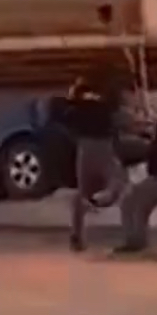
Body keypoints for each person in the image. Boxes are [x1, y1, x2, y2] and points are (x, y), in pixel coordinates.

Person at [61, 76, 125, 252]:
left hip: (85, 148)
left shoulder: (78, 106)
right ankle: (104, 197)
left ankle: (77, 235)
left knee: (82, 192)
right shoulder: (105, 104)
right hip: (104, 146)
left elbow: (64, 117)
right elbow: (116, 116)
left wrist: (71, 96)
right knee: (116, 179)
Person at [115, 100, 157, 253]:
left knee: (128, 202)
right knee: (141, 209)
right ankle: (139, 241)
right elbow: (152, 137)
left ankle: (133, 241)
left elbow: (151, 142)